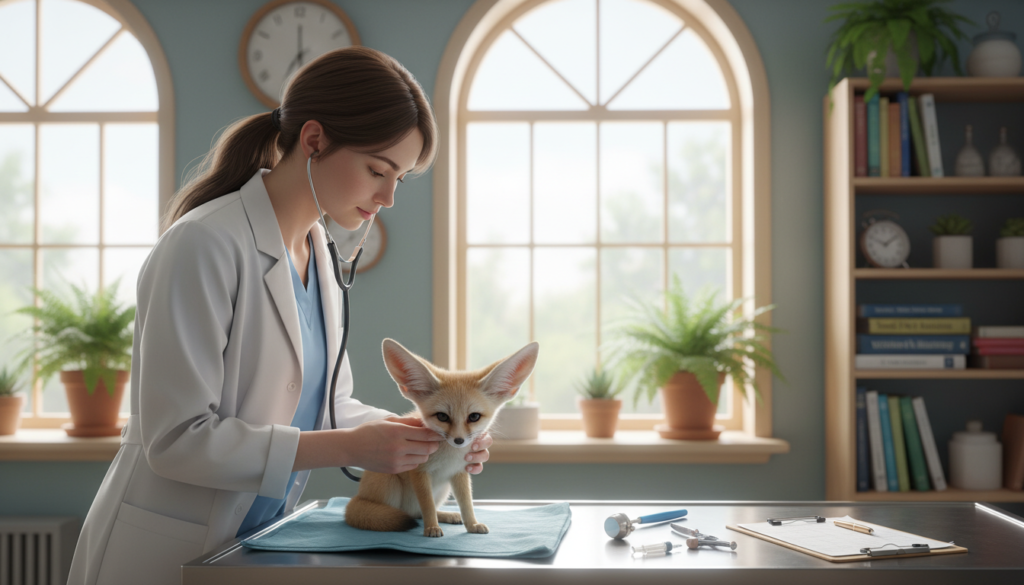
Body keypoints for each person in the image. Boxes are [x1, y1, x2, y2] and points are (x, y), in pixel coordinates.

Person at [67, 47, 493, 585]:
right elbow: (175, 440)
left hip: (253, 546)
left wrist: (424, 436)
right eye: (377, 171)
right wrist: (351, 446)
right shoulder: (204, 244)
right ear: (314, 140)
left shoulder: (318, 251)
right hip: (164, 552)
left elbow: (326, 406)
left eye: (400, 179)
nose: (387, 197)